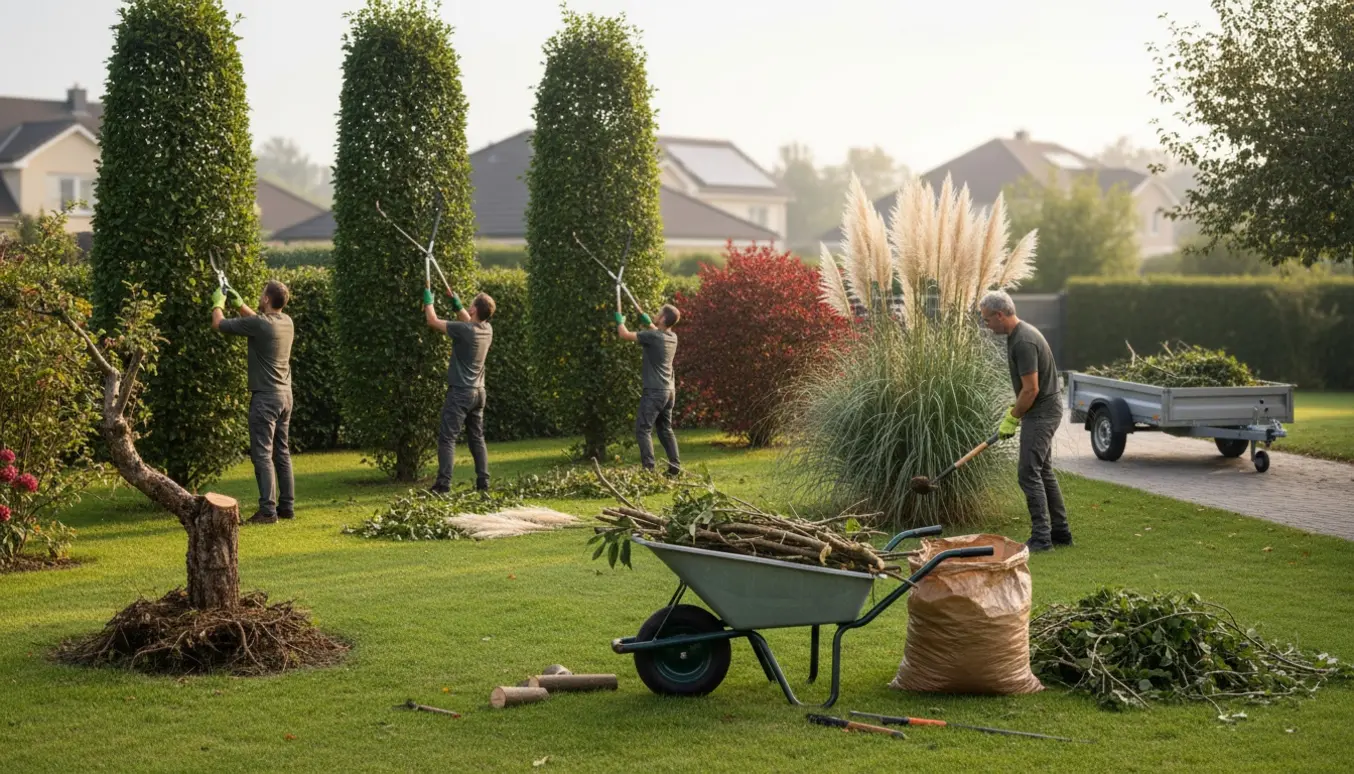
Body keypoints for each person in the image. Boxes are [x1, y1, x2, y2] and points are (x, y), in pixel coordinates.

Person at [978, 290, 1071, 552]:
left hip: (1042, 413)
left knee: (1028, 473)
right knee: (1043, 471)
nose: (986, 325)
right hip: (1041, 410)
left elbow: (1031, 390)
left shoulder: (1023, 342)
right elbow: (1027, 390)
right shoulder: (1019, 335)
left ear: (1000, 314)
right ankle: (1061, 533)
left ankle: (1042, 538)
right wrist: (1017, 409)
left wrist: (1013, 417)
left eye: (987, 320)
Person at [211, 279, 295, 525]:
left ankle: (268, 512)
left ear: (267, 300)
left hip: (265, 399)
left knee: (262, 455)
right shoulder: (286, 322)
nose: (260, 298)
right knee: (282, 452)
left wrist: (219, 302)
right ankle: (287, 507)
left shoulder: (260, 324)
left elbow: (218, 324)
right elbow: (258, 322)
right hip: (285, 397)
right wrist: (241, 304)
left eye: (261, 295)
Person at [423, 286, 494, 493]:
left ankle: (443, 485)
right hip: (479, 393)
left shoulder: (464, 330)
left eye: (470, 305)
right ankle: (483, 483)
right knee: (477, 438)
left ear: (474, 310)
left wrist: (429, 301)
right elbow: (469, 320)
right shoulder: (487, 329)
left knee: (447, 438)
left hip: (461, 393)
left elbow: (432, 321)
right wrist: (458, 305)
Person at [615, 304, 681, 476]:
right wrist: (649, 323)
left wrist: (619, 321)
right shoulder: (673, 337)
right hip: (669, 392)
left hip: (654, 392)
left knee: (643, 429)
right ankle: (675, 468)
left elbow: (624, 334)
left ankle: (648, 471)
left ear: (663, 319)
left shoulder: (653, 337)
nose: (655, 314)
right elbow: (658, 334)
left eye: (658, 313)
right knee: (665, 429)